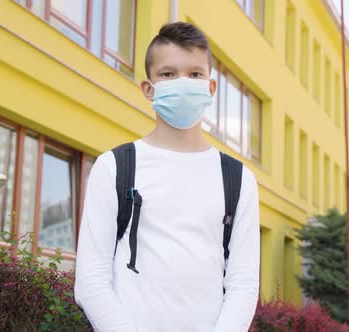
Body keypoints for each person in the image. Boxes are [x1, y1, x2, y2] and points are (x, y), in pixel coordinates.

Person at [74, 21, 260, 332]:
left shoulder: (239, 179)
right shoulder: (114, 167)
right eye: (168, 74)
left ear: (210, 88)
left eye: (195, 74)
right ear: (149, 88)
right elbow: (91, 281)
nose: (183, 83)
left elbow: (242, 281)